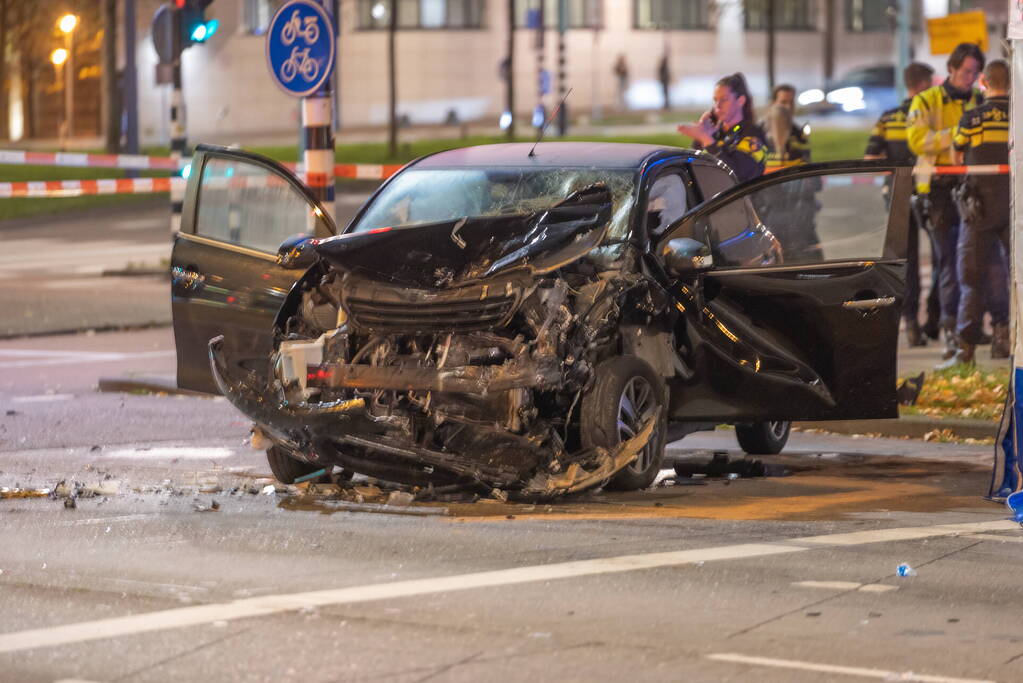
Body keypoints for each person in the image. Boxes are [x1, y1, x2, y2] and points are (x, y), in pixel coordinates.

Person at [907, 42, 985, 360]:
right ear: (952, 68)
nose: (971, 77)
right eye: (967, 71)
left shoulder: (981, 101)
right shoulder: (926, 100)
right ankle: (951, 327)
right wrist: (957, 134)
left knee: (976, 263)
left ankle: (969, 325)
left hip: (972, 189)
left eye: (976, 72)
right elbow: (916, 140)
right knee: (949, 262)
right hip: (937, 191)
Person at [943, 59, 1012, 365]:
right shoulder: (1019, 114)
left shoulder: (972, 117)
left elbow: (957, 157)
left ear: (984, 82)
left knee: (970, 276)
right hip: (1015, 206)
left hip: (978, 206)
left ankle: (965, 349)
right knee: (1013, 276)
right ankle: (1005, 339)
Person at [864, 62, 935, 347]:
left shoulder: (887, 117)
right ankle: (935, 317)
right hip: (930, 194)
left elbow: (870, 159)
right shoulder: (930, 117)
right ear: (921, 86)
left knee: (908, 261)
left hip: (896, 198)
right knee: (944, 258)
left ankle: (911, 324)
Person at [678, 72, 767, 183]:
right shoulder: (715, 133)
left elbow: (739, 174)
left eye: (724, 100)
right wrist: (700, 137)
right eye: (715, 100)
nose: (718, 106)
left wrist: (707, 141)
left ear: (740, 101)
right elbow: (690, 169)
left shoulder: (753, 134)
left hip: (741, 199)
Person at [762, 84, 811, 169]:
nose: (788, 107)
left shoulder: (795, 129)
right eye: (783, 102)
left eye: (791, 102)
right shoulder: (760, 131)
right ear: (773, 103)